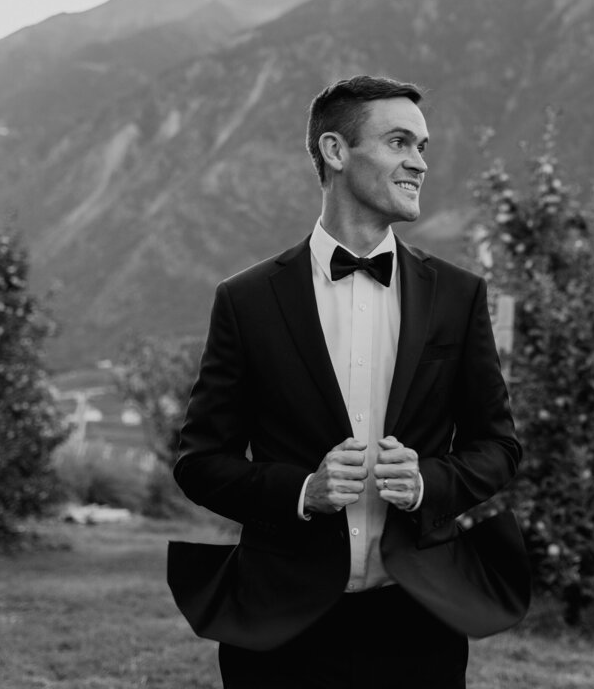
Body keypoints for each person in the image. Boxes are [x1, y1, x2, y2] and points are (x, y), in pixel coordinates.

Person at [167, 75, 529, 688]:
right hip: (281, 625)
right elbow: (199, 460)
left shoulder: (458, 296)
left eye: (422, 146)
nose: (418, 162)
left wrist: (425, 483)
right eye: (398, 142)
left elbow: (499, 447)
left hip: (420, 619)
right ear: (336, 152)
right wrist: (302, 491)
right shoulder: (247, 301)